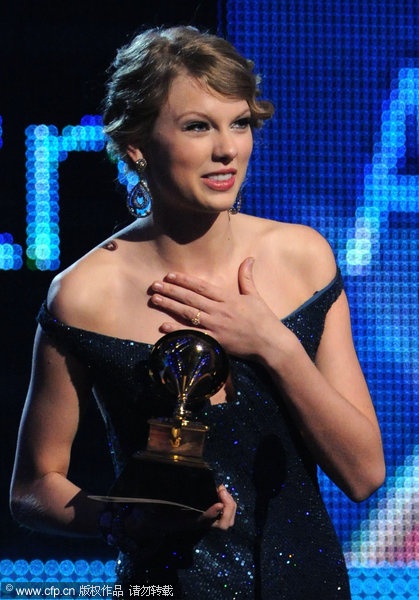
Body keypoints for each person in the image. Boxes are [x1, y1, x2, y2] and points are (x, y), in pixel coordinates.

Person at [10, 26, 385, 599]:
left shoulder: (302, 257)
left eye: (239, 123)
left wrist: (272, 343)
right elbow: (34, 487)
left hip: (308, 583)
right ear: (137, 145)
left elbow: (364, 475)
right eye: (197, 126)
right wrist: (124, 519)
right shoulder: (84, 292)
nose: (227, 149)